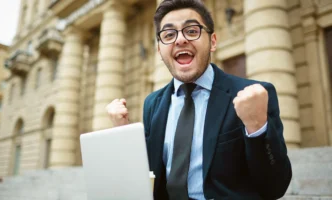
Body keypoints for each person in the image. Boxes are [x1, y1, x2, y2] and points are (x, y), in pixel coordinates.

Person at [106, 0, 292, 199]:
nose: (180, 40)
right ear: (159, 50)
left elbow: (275, 188)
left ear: (212, 41)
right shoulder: (152, 104)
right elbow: (147, 177)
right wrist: (124, 135)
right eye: (169, 35)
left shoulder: (254, 94)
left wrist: (257, 128)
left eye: (192, 31)